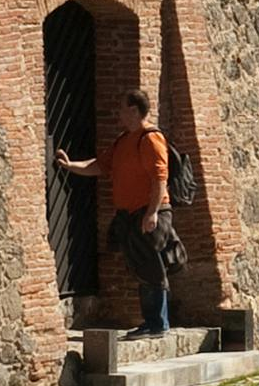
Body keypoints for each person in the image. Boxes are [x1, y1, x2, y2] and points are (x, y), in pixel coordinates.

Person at [53, 88, 175, 336]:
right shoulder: (123, 140)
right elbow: (100, 166)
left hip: (149, 212)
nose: (118, 113)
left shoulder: (150, 138)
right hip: (130, 215)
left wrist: (151, 213)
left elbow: (160, 178)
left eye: (122, 108)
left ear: (133, 110)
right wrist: (70, 166)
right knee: (141, 267)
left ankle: (157, 324)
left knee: (151, 267)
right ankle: (152, 322)